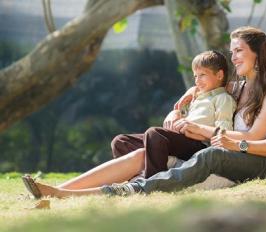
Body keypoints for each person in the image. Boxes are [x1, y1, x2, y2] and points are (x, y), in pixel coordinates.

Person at [22, 26, 266, 198]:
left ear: (258, 54)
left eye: (239, 51)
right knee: (125, 144)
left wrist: (198, 129)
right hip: (199, 138)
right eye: (233, 52)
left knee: (153, 136)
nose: (234, 57)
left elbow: (253, 136)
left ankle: (148, 182)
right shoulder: (239, 85)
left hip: (218, 151)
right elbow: (206, 86)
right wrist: (182, 103)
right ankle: (54, 190)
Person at [98, 21, 266, 196]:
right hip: (256, 152)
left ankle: (140, 188)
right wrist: (181, 104)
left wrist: (235, 143)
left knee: (208, 153)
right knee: (126, 142)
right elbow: (213, 85)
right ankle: (96, 187)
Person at [22, 50, 236, 198]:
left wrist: (194, 130)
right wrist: (177, 113)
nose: (197, 80)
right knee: (121, 141)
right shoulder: (198, 96)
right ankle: (60, 189)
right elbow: (182, 114)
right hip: (182, 139)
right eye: (195, 76)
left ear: (219, 75)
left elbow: (222, 136)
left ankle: (152, 184)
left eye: (203, 75)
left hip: (199, 147)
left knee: (154, 134)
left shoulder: (222, 99)